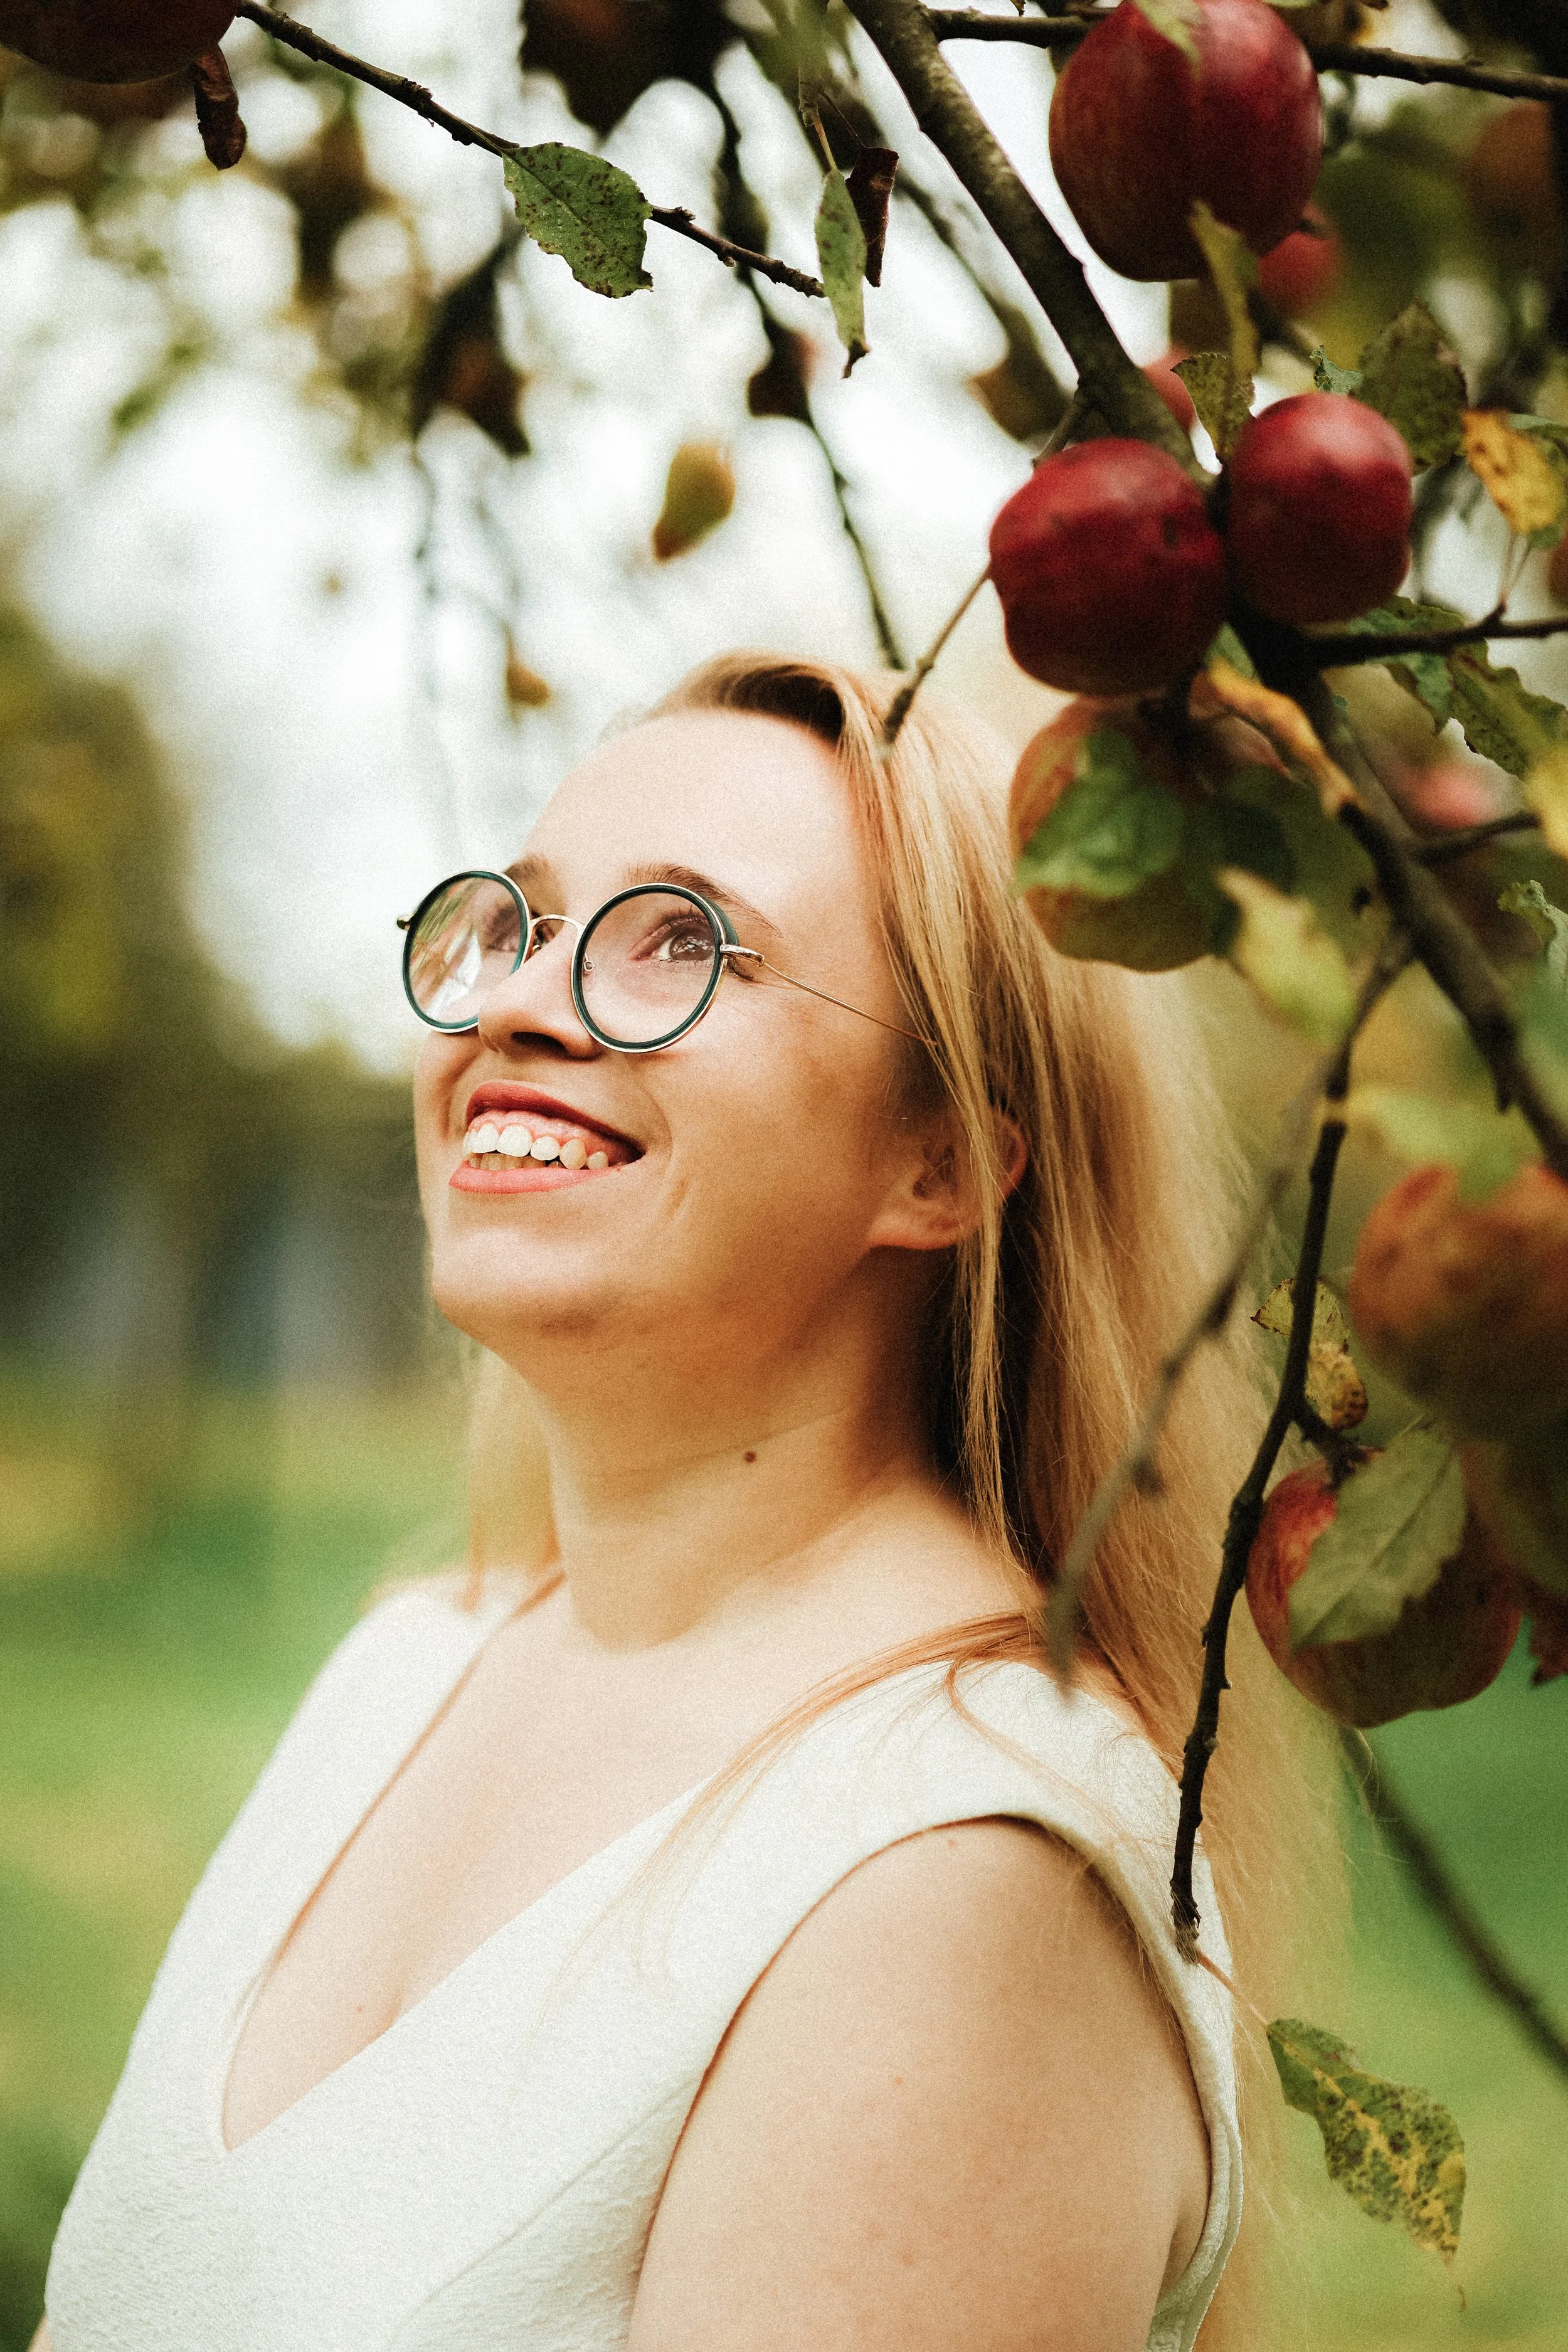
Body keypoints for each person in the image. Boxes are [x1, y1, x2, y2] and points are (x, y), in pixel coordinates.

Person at [39, 652, 1340, 2352]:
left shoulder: (960, 1878)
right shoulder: (414, 1660)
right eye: (517, 920)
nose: (517, 999)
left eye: (682, 942)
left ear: (938, 1161)